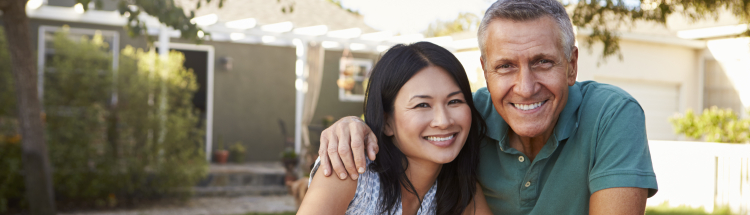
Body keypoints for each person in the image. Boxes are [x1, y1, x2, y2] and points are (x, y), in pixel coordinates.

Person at [315, 0, 659, 214]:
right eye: (506, 66)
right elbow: (404, 119)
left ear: (571, 65)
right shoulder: (470, 118)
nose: (525, 88)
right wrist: (354, 125)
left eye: (542, 62)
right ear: (485, 71)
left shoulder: (611, 115)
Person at [298, 42, 491, 215]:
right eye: (422, 105)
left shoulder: (461, 191)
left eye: (455, 101)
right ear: (387, 121)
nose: (444, 121)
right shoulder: (350, 168)